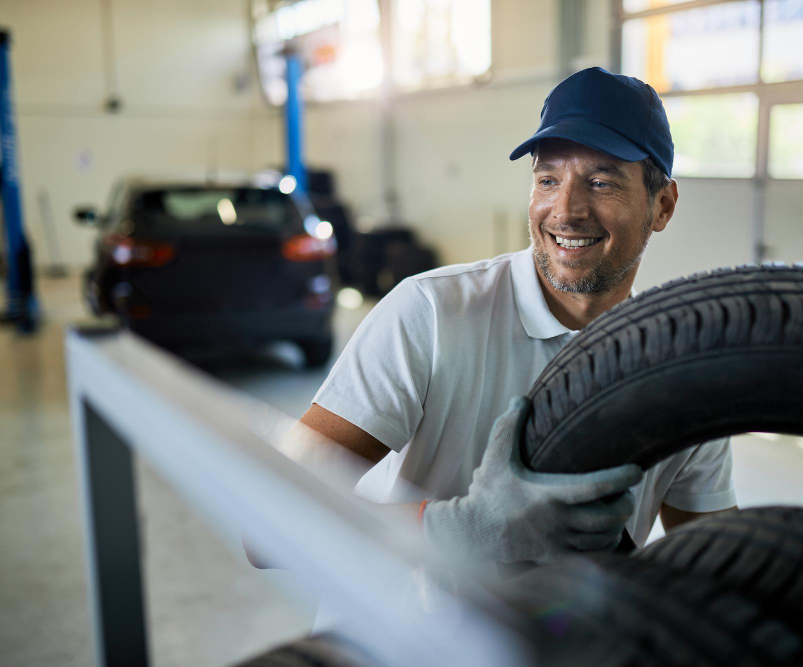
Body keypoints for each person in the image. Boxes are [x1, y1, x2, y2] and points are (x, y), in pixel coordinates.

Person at [295, 67, 737, 565]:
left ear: (662, 206)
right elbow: (270, 519)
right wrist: (462, 529)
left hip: (568, 641)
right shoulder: (433, 313)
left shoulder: (681, 372)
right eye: (548, 178)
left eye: (600, 181)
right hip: (400, 639)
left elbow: (710, 566)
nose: (566, 210)